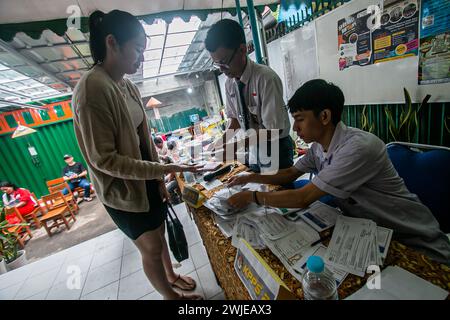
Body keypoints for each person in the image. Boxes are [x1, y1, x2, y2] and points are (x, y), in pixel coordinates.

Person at [227, 79, 450, 265]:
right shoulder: (317, 147)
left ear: (324, 116)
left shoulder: (357, 148)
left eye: (300, 119)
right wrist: (252, 176)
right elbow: (290, 173)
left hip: (415, 243)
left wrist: (253, 196)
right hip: (372, 236)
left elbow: (302, 197)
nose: (295, 128)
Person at [72, 10, 207, 300]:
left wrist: (159, 175)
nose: (141, 58)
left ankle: (171, 276)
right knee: (151, 248)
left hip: (145, 178)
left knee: (159, 234)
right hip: (122, 190)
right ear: (112, 43)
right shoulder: (91, 89)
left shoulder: (126, 84)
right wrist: (167, 169)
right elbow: (104, 160)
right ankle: (172, 298)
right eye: (137, 49)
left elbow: (143, 138)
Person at [205, 19, 293, 173]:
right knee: (256, 189)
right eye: (217, 64)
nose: (222, 70)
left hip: (276, 148)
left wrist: (236, 146)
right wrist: (220, 143)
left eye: (224, 62)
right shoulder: (229, 83)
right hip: (253, 147)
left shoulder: (266, 78)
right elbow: (235, 121)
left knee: (278, 192)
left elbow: (274, 130)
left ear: (242, 50)